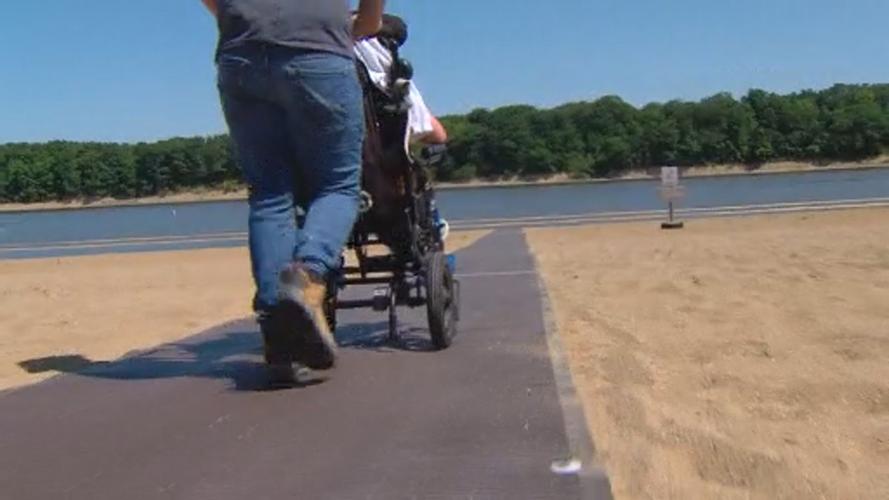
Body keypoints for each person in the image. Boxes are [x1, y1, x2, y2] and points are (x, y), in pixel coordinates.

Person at [201, 0, 385, 385]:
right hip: (318, 49)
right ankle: (308, 275)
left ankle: (277, 325)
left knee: (270, 193)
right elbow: (369, 19)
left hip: (241, 52)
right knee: (336, 185)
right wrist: (364, 24)